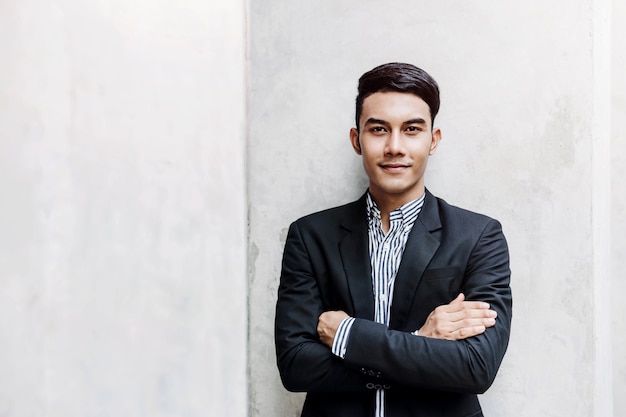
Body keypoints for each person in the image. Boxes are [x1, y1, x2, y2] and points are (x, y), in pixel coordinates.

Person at [274, 62, 512, 417]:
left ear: (433, 140)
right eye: (379, 129)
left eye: (412, 129)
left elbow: (475, 367)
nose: (395, 146)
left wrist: (348, 336)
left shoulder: (479, 236)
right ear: (357, 140)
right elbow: (296, 365)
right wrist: (420, 342)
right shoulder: (311, 237)